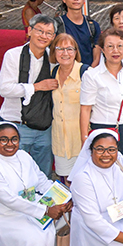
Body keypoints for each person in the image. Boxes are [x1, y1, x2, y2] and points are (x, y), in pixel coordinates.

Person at [0, 14, 59, 175]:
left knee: (43, 173)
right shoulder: (13, 55)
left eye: (49, 33)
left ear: (53, 37)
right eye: (40, 31)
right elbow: (5, 89)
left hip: (44, 125)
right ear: (30, 31)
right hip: (16, 123)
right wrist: (36, 87)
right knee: (14, 172)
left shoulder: (53, 59)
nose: (44, 36)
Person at [79, 27, 123, 171]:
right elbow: (85, 109)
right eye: (110, 46)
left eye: (120, 46)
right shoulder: (92, 75)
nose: (115, 51)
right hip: (103, 129)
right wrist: (84, 138)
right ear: (102, 49)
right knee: (105, 170)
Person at [49, 33, 88, 182]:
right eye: (60, 49)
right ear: (54, 52)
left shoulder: (85, 73)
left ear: (76, 52)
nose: (65, 53)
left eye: (70, 49)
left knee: (83, 182)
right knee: (65, 181)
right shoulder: (53, 73)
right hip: (60, 142)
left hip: (80, 141)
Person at [58, 0, 101, 67]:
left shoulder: (93, 26)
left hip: (88, 74)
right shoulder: (57, 25)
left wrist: (88, 72)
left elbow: (97, 56)